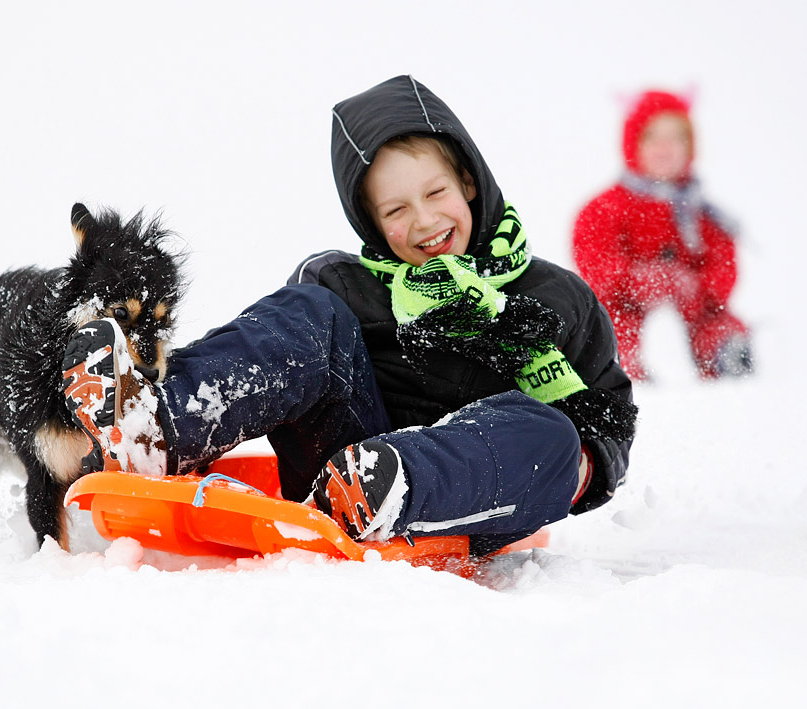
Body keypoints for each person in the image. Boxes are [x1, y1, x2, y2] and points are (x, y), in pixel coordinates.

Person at [61, 75, 637, 556]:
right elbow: (277, 354)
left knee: (556, 434)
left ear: (469, 181)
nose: (424, 221)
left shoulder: (554, 297)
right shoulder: (344, 283)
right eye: (396, 209)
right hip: (340, 471)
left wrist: (585, 464)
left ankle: (396, 483)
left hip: (469, 494)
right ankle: (155, 427)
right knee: (311, 313)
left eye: (436, 193)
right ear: (371, 222)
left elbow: (609, 417)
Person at [572, 90, 753, 381]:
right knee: (615, 327)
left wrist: (696, 287)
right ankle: (625, 365)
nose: (664, 147)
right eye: (652, 137)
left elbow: (724, 265)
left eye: (675, 138)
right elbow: (594, 259)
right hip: (628, 306)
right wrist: (636, 280)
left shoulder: (702, 213)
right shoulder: (606, 208)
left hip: (691, 309)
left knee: (715, 323)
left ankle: (726, 354)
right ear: (633, 144)